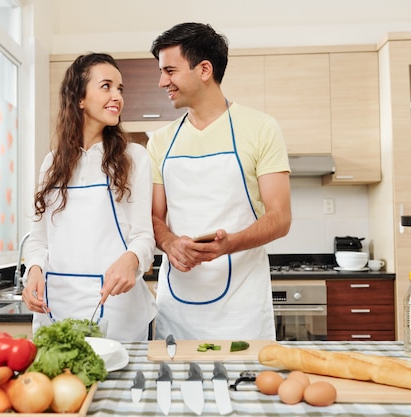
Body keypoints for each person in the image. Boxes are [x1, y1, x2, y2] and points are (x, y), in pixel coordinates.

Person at [147, 23, 292, 340]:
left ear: (204, 69)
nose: (162, 82)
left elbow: (280, 218)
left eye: (170, 71)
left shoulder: (260, 128)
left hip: (242, 308)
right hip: (178, 306)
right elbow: (154, 218)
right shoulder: (160, 141)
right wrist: (171, 243)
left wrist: (229, 245)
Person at [22, 53, 157, 341]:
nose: (117, 96)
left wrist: (131, 260)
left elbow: (144, 237)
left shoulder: (133, 158)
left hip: (116, 306)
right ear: (80, 98)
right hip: (56, 306)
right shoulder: (52, 163)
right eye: (106, 86)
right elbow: (39, 238)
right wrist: (33, 269)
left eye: (120, 89)